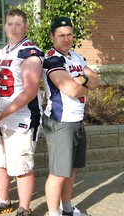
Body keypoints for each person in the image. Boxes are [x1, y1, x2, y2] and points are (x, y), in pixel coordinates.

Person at [0, 9, 43, 216]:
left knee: (21, 166)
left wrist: (5, 112)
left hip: (21, 117)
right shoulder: (2, 52)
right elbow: (0, 84)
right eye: (10, 23)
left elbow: (30, 90)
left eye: (18, 24)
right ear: (5, 27)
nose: (14, 27)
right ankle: (3, 201)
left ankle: (24, 208)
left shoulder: (30, 52)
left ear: (25, 27)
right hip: (0, 116)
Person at [42, 17, 100, 216]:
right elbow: (72, 90)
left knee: (72, 170)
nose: (66, 39)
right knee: (58, 173)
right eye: (61, 35)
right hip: (61, 121)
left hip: (77, 119)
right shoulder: (51, 59)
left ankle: (67, 208)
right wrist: (83, 82)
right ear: (52, 36)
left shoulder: (75, 56)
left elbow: (95, 80)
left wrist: (80, 79)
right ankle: (53, 212)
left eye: (69, 34)